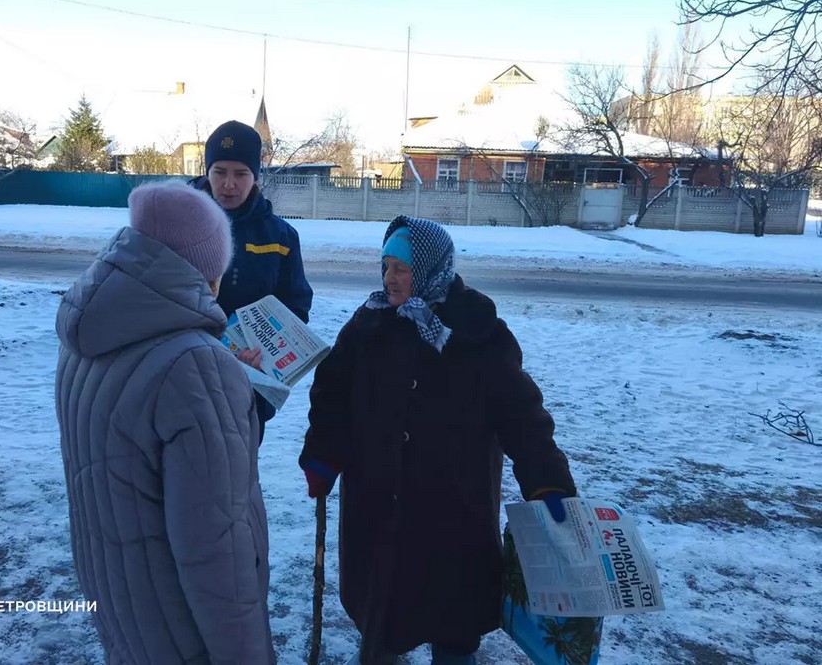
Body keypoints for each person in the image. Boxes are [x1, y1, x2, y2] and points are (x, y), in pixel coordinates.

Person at [298, 215, 577, 665]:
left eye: (402, 268)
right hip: (377, 504)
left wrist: (547, 482)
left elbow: (522, 415)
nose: (389, 278)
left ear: (430, 270)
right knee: (383, 618)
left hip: (454, 508)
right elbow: (332, 398)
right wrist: (322, 457)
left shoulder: (478, 334)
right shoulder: (367, 327)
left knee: (455, 618)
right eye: (386, 265)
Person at [54, 179, 275, 664]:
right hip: (185, 633)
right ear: (204, 268)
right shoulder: (194, 367)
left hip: (126, 608)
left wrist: (229, 383)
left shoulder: (88, 335)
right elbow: (217, 548)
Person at [191, 119, 314, 441]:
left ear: (255, 176)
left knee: (235, 478)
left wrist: (264, 353)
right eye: (220, 172)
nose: (229, 184)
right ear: (207, 172)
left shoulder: (280, 236)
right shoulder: (178, 225)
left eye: (241, 173)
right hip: (183, 377)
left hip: (248, 383)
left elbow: (296, 307)